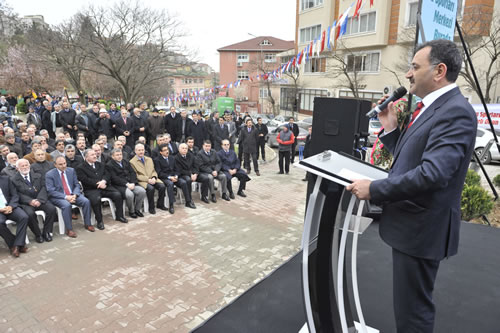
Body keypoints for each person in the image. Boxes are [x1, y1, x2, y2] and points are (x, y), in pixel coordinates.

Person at [347, 39, 477, 333]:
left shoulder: (454, 112)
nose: (407, 74)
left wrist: (375, 189)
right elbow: (414, 160)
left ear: (439, 71)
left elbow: (433, 175)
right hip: (412, 226)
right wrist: (392, 130)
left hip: (422, 230)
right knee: (407, 309)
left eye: (415, 67)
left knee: (413, 314)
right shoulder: (432, 108)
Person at [76, 149, 127, 229]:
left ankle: (119, 216)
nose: (95, 156)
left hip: (104, 187)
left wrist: (104, 181)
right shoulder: (80, 167)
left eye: (95, 154)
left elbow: (107, 174)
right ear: (86, 157)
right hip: (91, 189)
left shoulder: (101, 164)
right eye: (92, 155)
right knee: (96, 199)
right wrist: (98, 183)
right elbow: (84, 179)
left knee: (117, 194)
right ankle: (99, 221)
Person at [46, 156, 93, 238]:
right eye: (60, 164)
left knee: (86, 201)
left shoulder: (71, 170)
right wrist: (66, 197)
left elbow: (76, 184)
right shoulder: (50, 174)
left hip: (72, 194)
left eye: (64, 163)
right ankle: (69, 229)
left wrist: (75, 194)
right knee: (66, 205)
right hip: (59, 197)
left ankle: (88, 224)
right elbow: (51, 191)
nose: (63, 166)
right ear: (55, 165)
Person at [12, 159, 57, 243]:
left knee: (51, 209)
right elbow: (16, 194)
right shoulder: (13, 179)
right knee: (29, 214)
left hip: (40, 199)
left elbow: (44, 188)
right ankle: (38, 234)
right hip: (26, 203)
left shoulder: (38, 175)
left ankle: (47, 232)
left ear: (29, 166)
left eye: (26, 165)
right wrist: (30, 201)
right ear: (17, 168)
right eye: (22, 166)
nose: (25, 167)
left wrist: (39, 200)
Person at [106, 148, 146, 219]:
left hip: (131, 183)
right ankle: (132, 211)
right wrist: (127, 184)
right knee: (129, 195)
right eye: (117, 155)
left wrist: (133, 182)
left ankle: (137, 209)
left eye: (120, 154)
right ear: (113, 156)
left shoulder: (126, 161)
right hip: (120, 185)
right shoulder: (109, 165)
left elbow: (132, 173)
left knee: (142, 191)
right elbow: (114, 178)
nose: (119, 156)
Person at [129, 143, 166, 214]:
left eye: (142, 150)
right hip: (142, 181)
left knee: (162, 186)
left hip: (152, 178)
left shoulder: (149, 159)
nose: (141, 152)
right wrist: (147, 180)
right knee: (150, 189)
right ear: (135, 151)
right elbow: (136, 175)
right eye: (139, 150)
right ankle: (151, 207)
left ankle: (160, 204)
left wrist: (154, 177)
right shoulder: (132, 162)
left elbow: (153, 170)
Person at [0, 174, 29, 257]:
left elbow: (15, 195)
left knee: (23, 217)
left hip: (10, 206)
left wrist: (11, 206)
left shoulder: (6, 179)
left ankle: (17, 245)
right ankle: (14, 244)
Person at [154, 144, 180, 214]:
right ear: (161, 152)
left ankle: (189, 201)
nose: (167, 151)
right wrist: (169, 177)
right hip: (164, 178)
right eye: (164, 150)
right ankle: (171, 205)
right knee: (170, 183)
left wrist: (176, 176)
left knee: (184, 182)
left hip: (173, 177)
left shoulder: (172, 158)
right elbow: (159, 173)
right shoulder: (157, 160)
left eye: (167, 150)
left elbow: (177, 169)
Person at [174, 143, 198, 209]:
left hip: (191, 174)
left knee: (189, 179)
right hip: (181, 175)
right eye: (183, 148)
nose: (184, 150)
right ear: (179, 149)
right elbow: (180, 170)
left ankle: (189, 200)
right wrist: (191, 174)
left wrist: (195, 174)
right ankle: (188, 200)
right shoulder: (176, 158)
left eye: (186, 148)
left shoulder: (191, 155)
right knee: (187, 180)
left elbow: (196, 166)